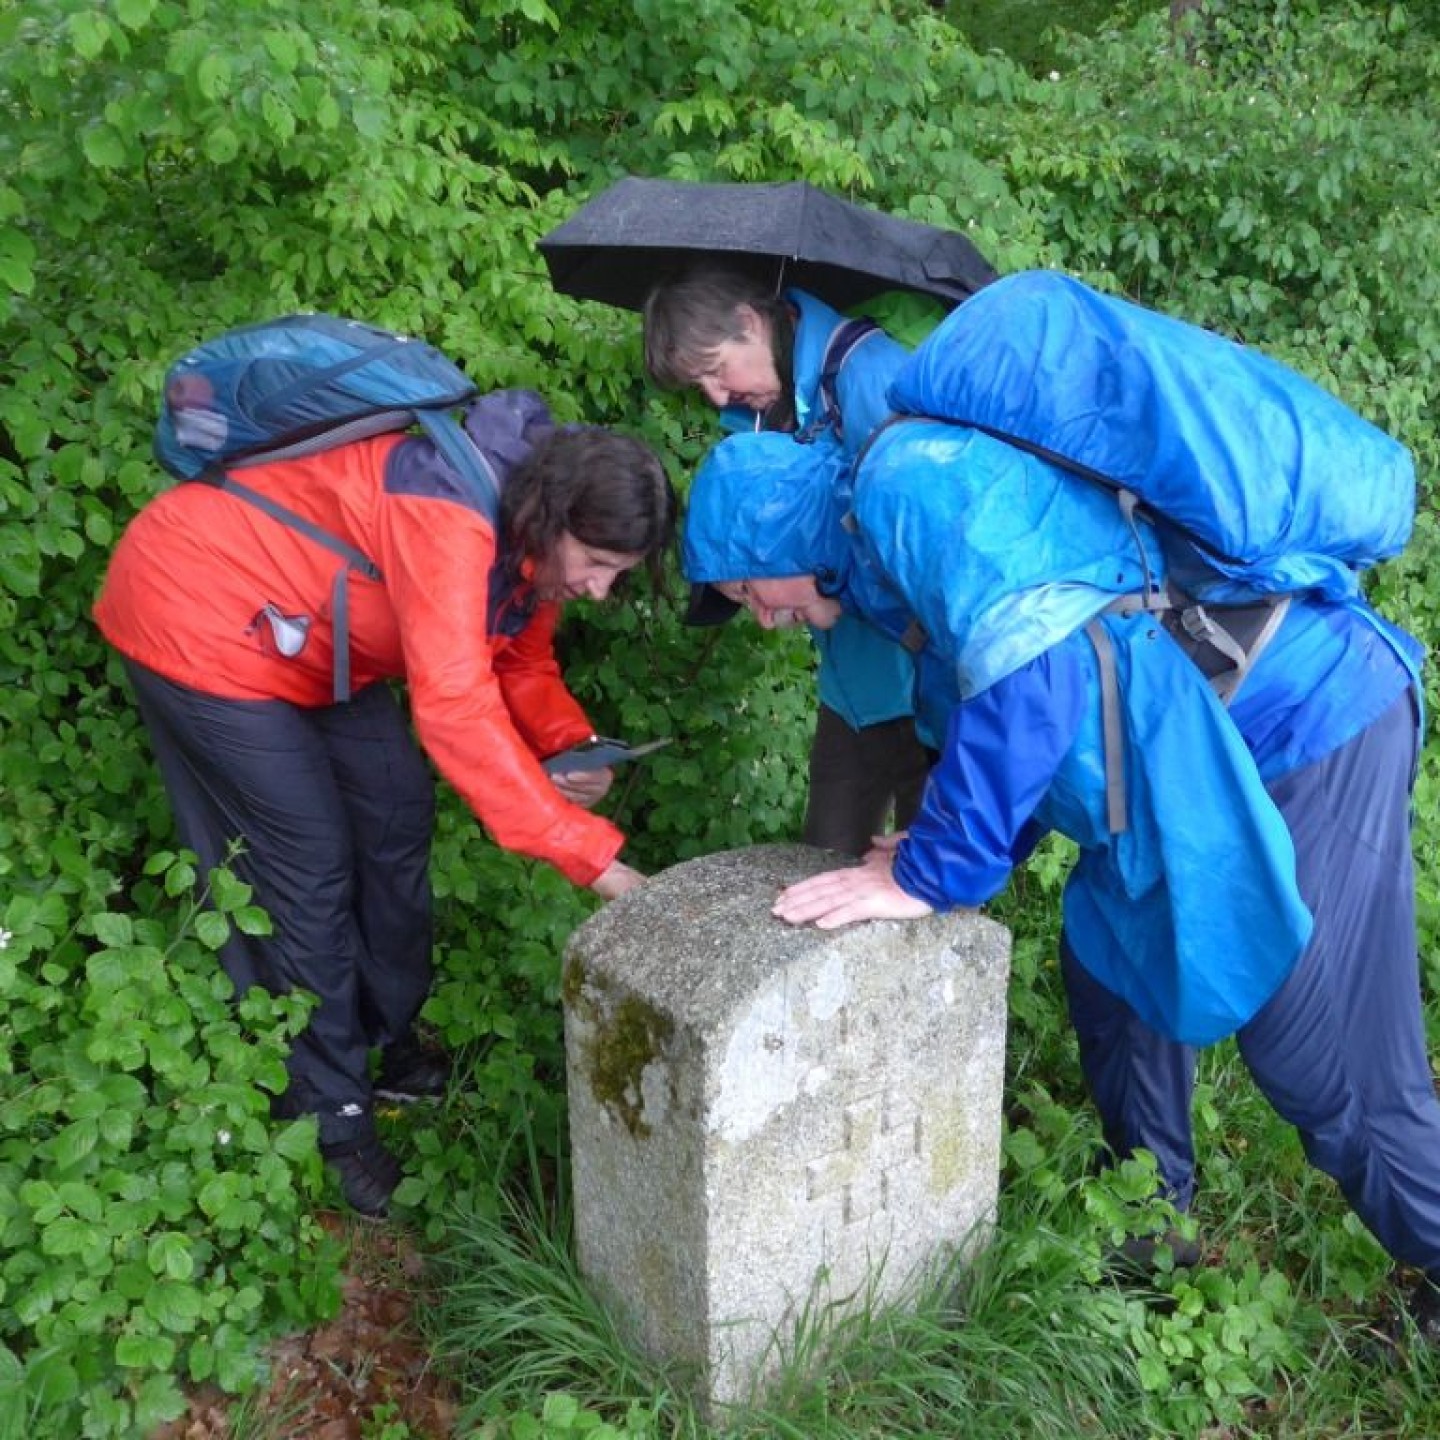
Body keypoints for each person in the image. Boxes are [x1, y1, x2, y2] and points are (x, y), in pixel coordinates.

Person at [681, 424, 1440, 1330]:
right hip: (1178, 763)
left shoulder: (913, 501)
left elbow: (1033, 678)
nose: (761, 617)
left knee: (1322, 1059)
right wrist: (948, 851)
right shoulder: (879, 575)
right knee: (1112, 969)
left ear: (775, 538)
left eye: (745, 589)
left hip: (1308, 723)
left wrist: (931, 873)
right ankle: (1155, 1229)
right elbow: (1032, 717)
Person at [94, 388, 676, 1217]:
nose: (600, 590)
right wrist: (594, 860)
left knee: (398, 810)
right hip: (202, 616)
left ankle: (383, 1035)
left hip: (313, 639)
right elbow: (456, 709)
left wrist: (569, 744)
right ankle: (329, 1117)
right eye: (601, 566)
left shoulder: (532, 535)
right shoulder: (451, 516)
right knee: (305, 867)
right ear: (556, 519)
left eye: (617, 575)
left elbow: (517, 664)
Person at [643, 264, 933, 856]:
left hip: (922, 689)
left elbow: (924, 542)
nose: (717, 397)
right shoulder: (768, 411)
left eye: (715, 371)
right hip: (851, 695)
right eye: (701, 387)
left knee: (931, 899)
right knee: (821, 877)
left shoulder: (869, 378)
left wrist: (819, 592)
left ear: (750, 323)